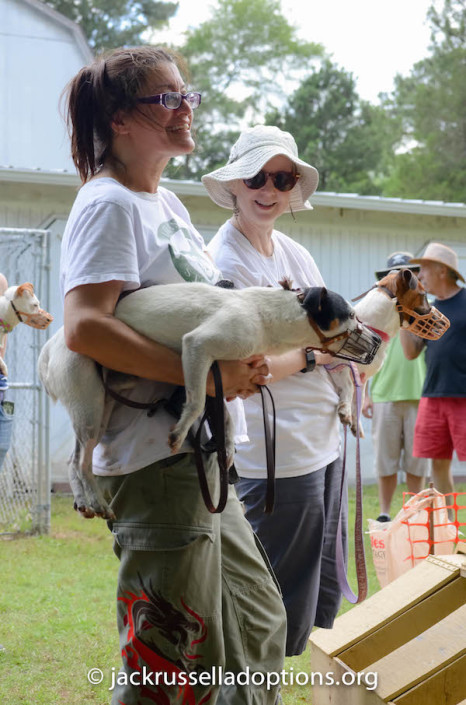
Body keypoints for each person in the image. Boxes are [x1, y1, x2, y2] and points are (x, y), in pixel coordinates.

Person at [60, 47, 286, 705]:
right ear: (120, 119)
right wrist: (208, 382)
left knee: (255, 624)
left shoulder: (168, 205)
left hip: (200, 460)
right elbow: (85, 326)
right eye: (167, 98)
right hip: (155, 464)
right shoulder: (109, 204)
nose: (186, 107)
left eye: (187, 94)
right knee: (170, 662)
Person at [203, 125, 346, 657]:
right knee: (268, 607)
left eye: (282, 178)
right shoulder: (224, 260)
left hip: (321, 440)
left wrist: (314, 352)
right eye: (257, 176)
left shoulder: (294, 252)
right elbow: (246, 367)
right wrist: (313, 354)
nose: (269, 188)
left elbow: (332, 332)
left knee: (310, 597)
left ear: (292, 190)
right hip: (273, 453)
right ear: (235, 185)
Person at [400, 242, 466, 518]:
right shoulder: (430, 309)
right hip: (433, 396)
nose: (420, 274)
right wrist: (403, 313)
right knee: (438, 465)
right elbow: (411, 352)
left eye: (424, 268)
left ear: (442, 271)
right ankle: (451, 527)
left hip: (463, 397)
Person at [362, 253, 429, 522]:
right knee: (385, 461)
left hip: (419, 394)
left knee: (416, 462)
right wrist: (365, 395)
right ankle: (385, 513)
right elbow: (365, 355)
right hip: (383, 395)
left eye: (407, 274)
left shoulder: (425, 308)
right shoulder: (375, 312)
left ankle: (415, 513)